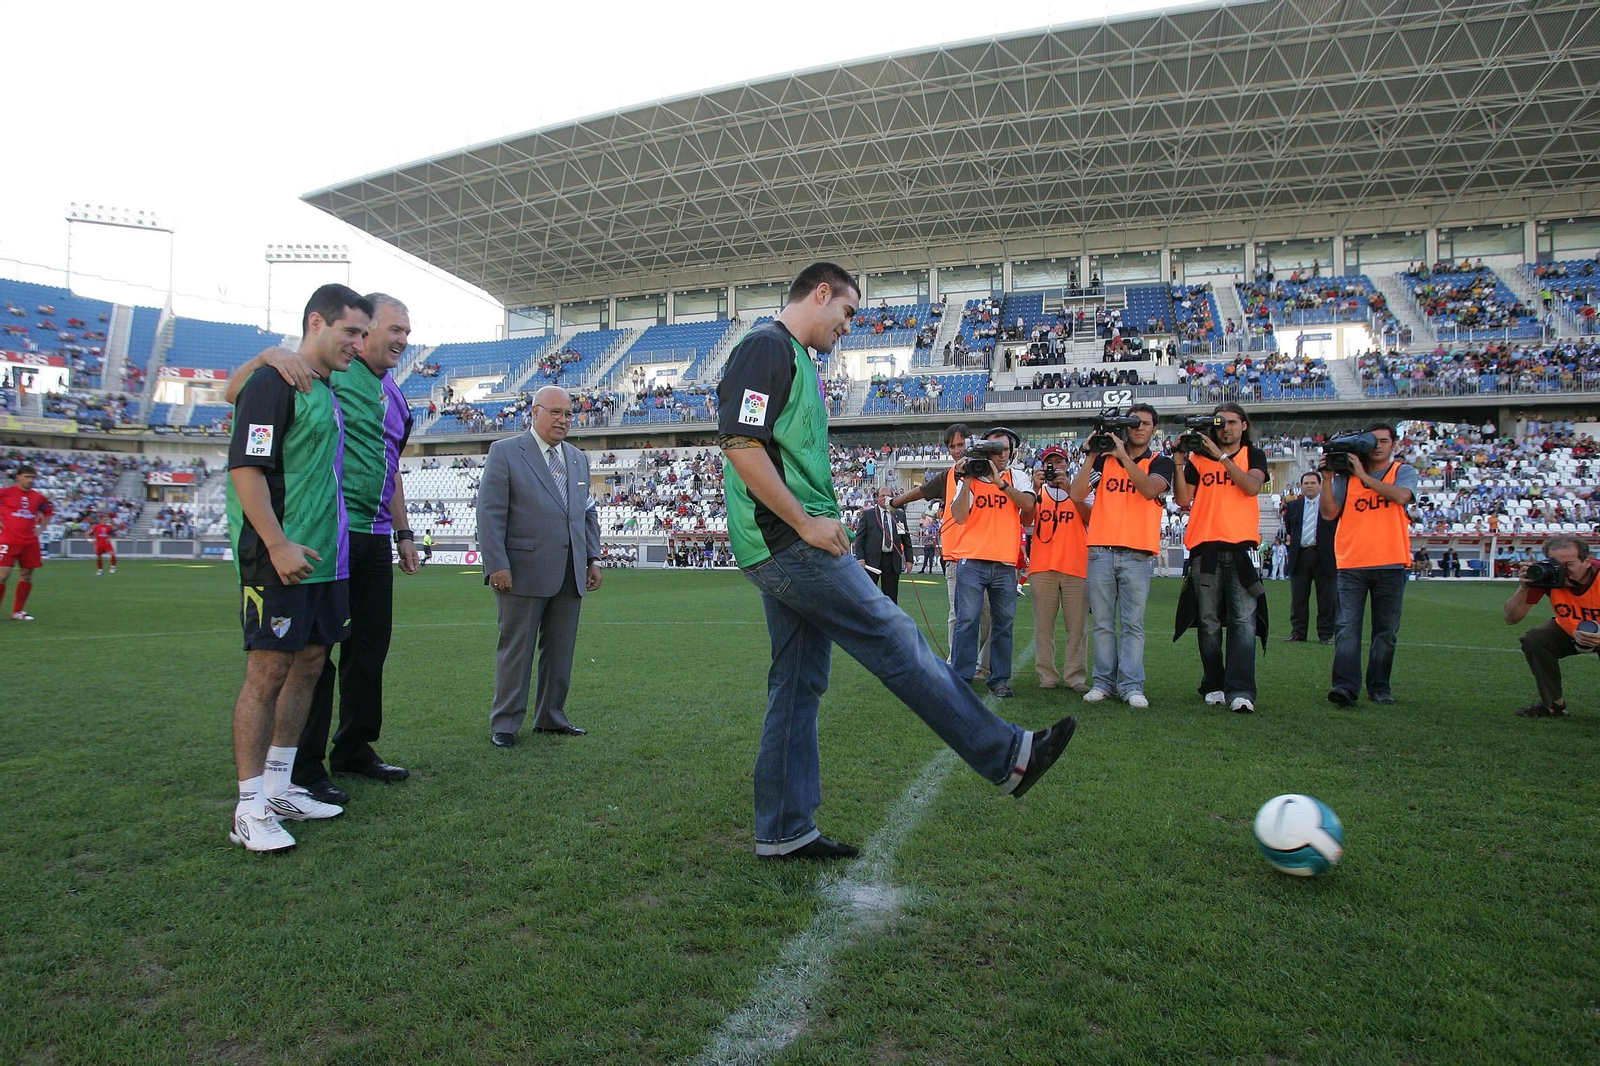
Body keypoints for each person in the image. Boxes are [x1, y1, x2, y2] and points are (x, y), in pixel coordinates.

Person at [717, 262, 1075, 860]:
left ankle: (783, 830)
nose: (849, 327)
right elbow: (739, 443)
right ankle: (1009, 757)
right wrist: (805, 521)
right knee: (896, 637)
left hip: (783, 544)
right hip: (791, 544)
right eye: (848, 313)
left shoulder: (798, 357)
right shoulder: (765, 346)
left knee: (797, 685)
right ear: (821, 293)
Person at [225, 294, 421, 802]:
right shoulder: (326, 372)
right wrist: (270, 353)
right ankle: (300, 770)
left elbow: (392, 468)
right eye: (391, 329)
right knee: (310, 655)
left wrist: (403, 533)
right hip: (325, 532)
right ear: (362, 329)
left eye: (407, 332)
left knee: (365, 650)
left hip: (373, 536)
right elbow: (236, 394)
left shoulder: (396, 397)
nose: (400, 340)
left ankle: (353, 749)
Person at [224, 284, 372, 852]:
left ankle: (281, 787)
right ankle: (248, 806)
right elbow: (246, 469)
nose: (357, 344)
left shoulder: (326, 388)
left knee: (310, 664)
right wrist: (278, 542)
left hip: (325, 558)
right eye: (350, 332)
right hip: (278, 557)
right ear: (317, 323)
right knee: (266, 675)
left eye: (364, 334)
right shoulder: (274, 381)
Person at [479, 385, 603, 747]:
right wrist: (496, 564)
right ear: (534, 413)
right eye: (555, 412)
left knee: (561, 649)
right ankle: (505, 724)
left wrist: (593, 557)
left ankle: (551, 716)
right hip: (521, 569)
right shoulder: (505, 452)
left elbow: (587, 514)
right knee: (516, 649)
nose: (563, 420)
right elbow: (490, 512)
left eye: (568, 414)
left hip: (570, 569)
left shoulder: (578, 458)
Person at [1071, 404, 1174, 708]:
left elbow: (1149, 490)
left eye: (1145, 423)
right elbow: (1076, 495)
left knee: (1132, 624)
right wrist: (1091, 454)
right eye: (1133, 423)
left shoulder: (1160, 461)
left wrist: (1123, 457)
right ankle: (1103, 682)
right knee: (1103, 623)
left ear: (1154, 428)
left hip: (1137, 553)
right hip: (1101, 549)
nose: (1139, 428)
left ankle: (1131, 685)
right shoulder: (1103, 461)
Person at [1173, 403, 1268, 713]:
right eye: (1220, 422)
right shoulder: (1198, 459)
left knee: (1243, 621)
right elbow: (1183, 500)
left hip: (1240, 547)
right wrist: (1178, 461)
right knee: (1208, 623)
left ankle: (1241, 689)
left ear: (1244, 425)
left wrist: (1222, 456)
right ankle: (1213, 683)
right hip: (1205, 547)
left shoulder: (1252, 455)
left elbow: (1251, 486)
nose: (1225, 428)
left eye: (1232, 422)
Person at [1321, 422, 1419, 706]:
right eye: (1372, 440)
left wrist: (1362, 475)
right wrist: (1327, 478)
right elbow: (1329, 513)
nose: (1378, 445)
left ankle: (1379, 686)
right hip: (1352, 562)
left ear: (1394, 444)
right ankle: (1344, 687)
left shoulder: (1402, 471)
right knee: (1346, 629)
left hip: (1391, 561)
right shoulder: (1345, 477)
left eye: (1384, 441)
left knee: (1385, 632)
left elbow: (1401, 497)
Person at [946, 427, 1035, 698]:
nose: (999, 454)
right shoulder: (971, 475)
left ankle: (999, 679)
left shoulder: (1017, 476)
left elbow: (1029, 507)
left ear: (1012, 452)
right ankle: (961, 678)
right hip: (972, 558)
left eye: (1004, 449)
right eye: (994, 448)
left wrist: (1001, 484)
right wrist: (969, 480)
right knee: (967, 621)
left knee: (1004, 624)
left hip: (1005, 562)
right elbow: (959, 516)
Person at [1503, 535, 1600, 717]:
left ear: (1587, 561)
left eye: (1569, 565)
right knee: (1536, 638)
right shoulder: (1549, 575)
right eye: (1557, 564)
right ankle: (1553, 704)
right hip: (1569, 629)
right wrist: (1524, 587)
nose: (1562, 571)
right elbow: (1511, 618)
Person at [1029, 444, 1091, 692]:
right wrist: (1034, 489)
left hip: (1076, 566)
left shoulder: (1081, 489)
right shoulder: (1037, 492)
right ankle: (1047, 675)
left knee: (1077, 627)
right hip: (1043, 566)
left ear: (1068, 464)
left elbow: (1091, 518)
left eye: (1059, 462)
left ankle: (1075, 676)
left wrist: (1070, 490)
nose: (1055, 467)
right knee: (1043, 627)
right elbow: (1025, 519)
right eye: (1049, 463)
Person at [1282, 471, 1337, 644]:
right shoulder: (1293, 506)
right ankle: (1298, 632)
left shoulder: (1329, 505)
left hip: (1324, 556)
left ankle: (1325, 634)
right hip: (1301, 554)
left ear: (1320, 485)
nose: (1309, 486)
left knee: (1326, 598)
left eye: (1313, 483)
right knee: (1298, 598)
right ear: (1301, 485)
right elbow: (1290, 529)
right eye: (1306, 483)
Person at [0, 464, 52, 620]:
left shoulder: (38, 497)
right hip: (8, 540)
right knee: (2, 575)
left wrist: (41, 529)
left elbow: (47, 511)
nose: (30, 480)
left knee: (26, 575)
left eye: (33, 477)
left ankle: (17, 611)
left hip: (29, 541)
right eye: (27, 477)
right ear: (18, 477)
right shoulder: (5, 493)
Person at [853, 487, 913, 604]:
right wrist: (860, 558)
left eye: (887, 496)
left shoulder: (899, 515)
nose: (884, 498)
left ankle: (890, 621)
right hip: (872, 561)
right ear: (877, 497)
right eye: (882, 496)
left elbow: (906, 539)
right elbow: (859, 539)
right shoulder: (868, 515)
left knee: (891, 596)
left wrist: (909, 559)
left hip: (892, 560)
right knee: (868, 595)